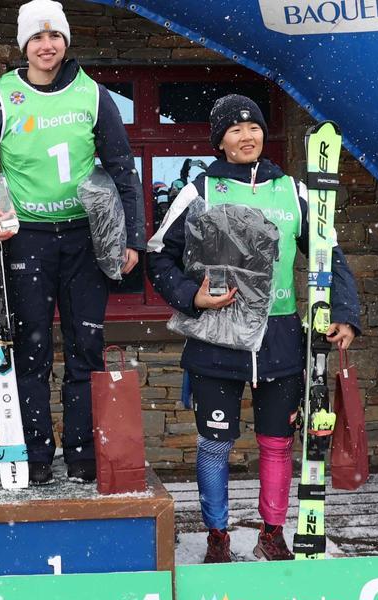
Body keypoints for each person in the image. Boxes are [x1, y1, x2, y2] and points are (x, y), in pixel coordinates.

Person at [146, 95, 361, 563]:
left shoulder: (292, 190)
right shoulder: (202, 189)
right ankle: (217, 536)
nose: (247, 136)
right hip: (218, 336)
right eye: (235, 130)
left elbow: (328, 251)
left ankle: (272, 532)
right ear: (219, 141)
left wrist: (344, 310)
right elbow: (158, 253)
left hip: (280, 336)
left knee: (278, 442)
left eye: (254, 128)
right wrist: (191, 295)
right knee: (216, 443)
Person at [0, 0, 143, 485]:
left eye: (54, 37)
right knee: (30, 351)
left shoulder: (93, 95)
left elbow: (121, 167)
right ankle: (35, 453)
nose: (46, 46)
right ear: (24, 46)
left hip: (84, 237)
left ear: (66, 42)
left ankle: (81, 455)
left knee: (86, 348)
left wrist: (132, 236)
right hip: (26, 238)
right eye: (36, 38)